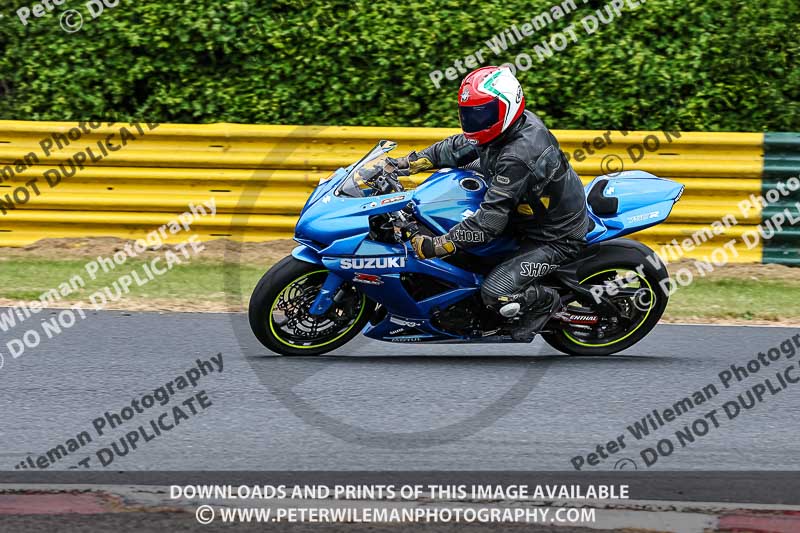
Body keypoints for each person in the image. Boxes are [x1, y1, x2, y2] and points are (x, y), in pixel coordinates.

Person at [390, 66, 590, 341]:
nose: (474, 120)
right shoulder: (502, 132)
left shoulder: (519, 154)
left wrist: (439, 244)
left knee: (496, 292)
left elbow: (489, 222)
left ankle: (547, 303)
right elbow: (455, 147)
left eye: (482, 112)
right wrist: (404, 164)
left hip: (554, 236)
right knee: (452, 176)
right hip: (527, 209)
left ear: (507, 107)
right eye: (468, 113)